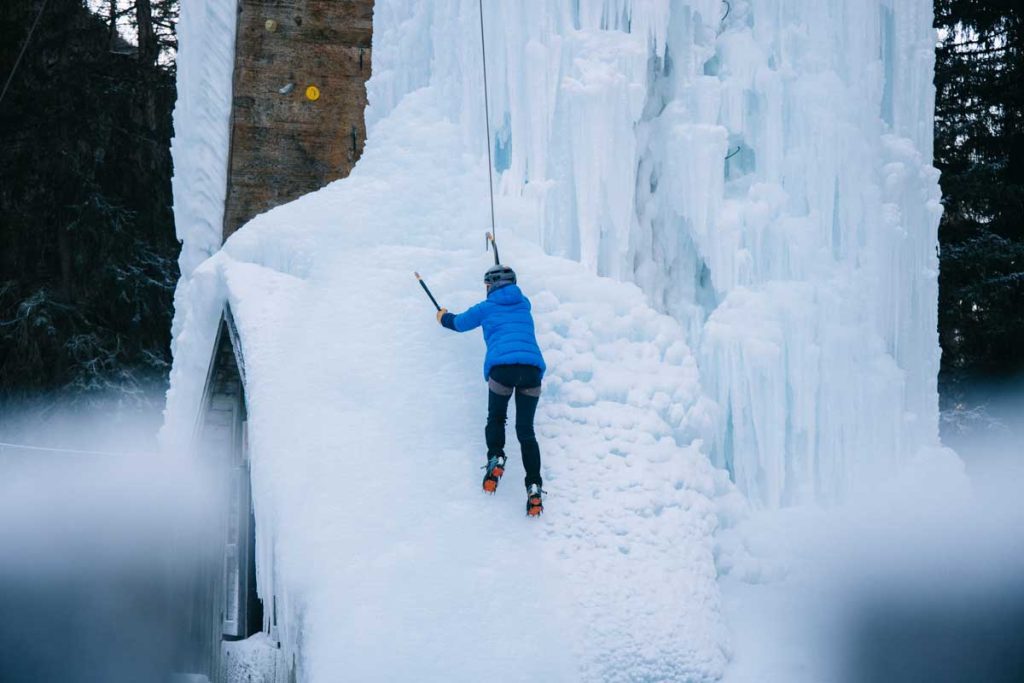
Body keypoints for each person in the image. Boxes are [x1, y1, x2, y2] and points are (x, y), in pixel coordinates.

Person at [436, 264, 547, 516]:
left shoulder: (486, 308)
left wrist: (443, 316)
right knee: (526, 432)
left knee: (496, 417)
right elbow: (510, 296)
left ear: (491, 286)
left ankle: (496, 457)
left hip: (502, 370)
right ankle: (534, 486)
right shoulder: (524, 304)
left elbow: (459, 323)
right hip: (531, 371)